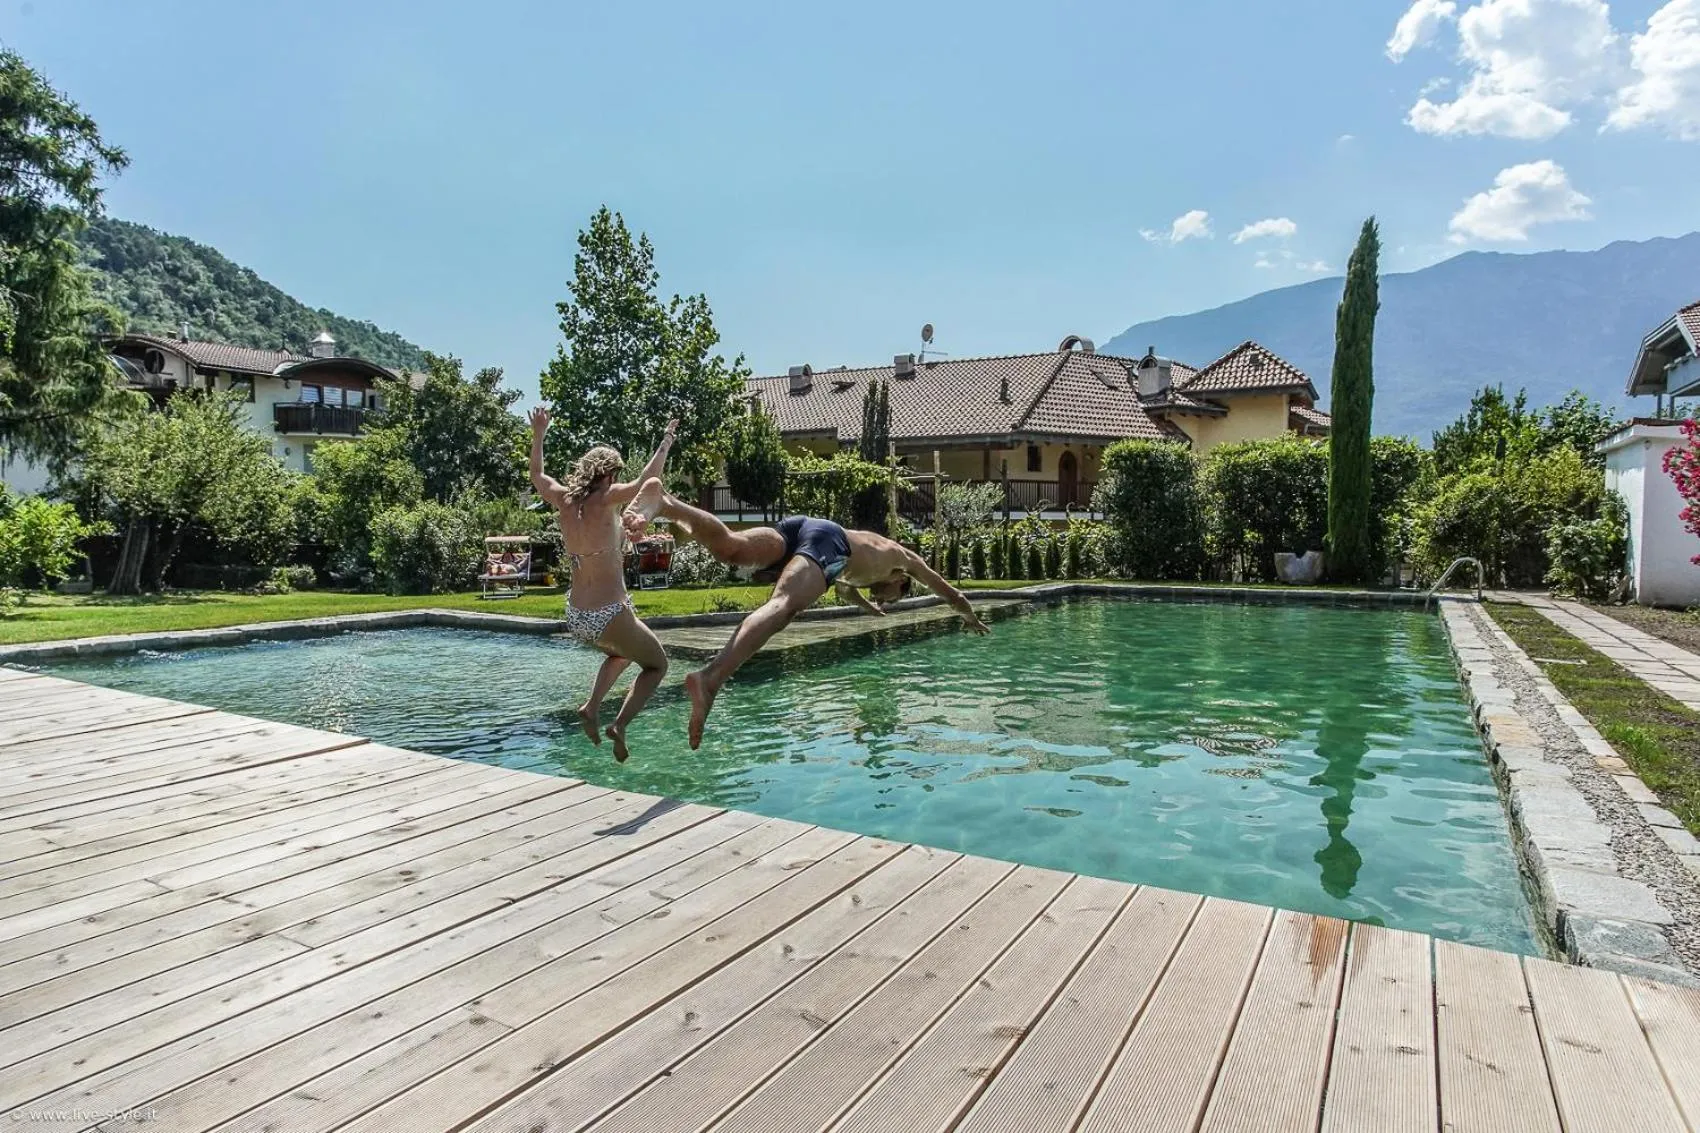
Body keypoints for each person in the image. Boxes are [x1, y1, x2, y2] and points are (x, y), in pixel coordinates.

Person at [632, 494, 990, 749]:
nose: (890, 600)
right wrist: (969, 615)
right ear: (901, 581)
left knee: (732, 548)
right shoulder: (904, 559)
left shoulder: (869, 566)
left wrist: (868, 608)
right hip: (831, 543)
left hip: (804, 528)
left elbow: (847, 592)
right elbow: (948, 591)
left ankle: (666, 504)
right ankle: (710, 679)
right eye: (896, 596)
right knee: (784, 607)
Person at [528, 407, 675, 762]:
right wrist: (666, 441)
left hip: (577, 615)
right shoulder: (606, 498)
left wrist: (539, 432)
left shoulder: (562, 498)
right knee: (657, 666)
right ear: (608, 474)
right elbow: (647, 480)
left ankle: (592, 707)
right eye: (615, 474)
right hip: (610, 613)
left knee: (622, 653)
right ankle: (620, 725)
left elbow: (536, 474)